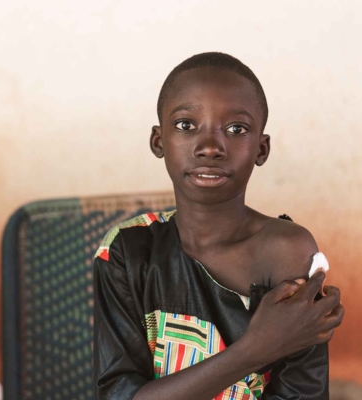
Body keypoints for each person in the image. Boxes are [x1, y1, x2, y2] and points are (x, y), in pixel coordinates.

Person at [93, 52, 345, 399]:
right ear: (158, 141)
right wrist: (254, 350)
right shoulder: (127, 250)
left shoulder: (288, 252)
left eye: (236, 129)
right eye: (185, 125)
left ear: (261, 148)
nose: (210, 147)